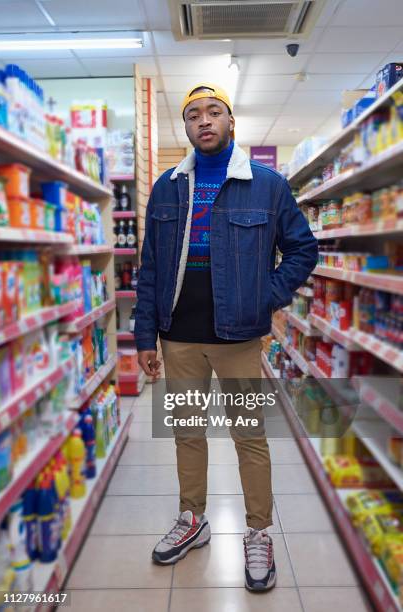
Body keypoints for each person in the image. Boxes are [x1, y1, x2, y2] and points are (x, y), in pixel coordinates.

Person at [135, 83, 318, 592]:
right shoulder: (168, 187)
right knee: (188, 433)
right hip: (179, 337)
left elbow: (303, 250)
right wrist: (143, 334)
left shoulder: (267, 184)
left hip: (238, 335)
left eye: (214, 111)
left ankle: (258, 532)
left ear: (230, 122)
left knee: (249, 438)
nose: (204, 120)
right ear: (187, 128)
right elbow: (149, 266)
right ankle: (193, 519)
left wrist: (266, 296)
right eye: (193, 115)